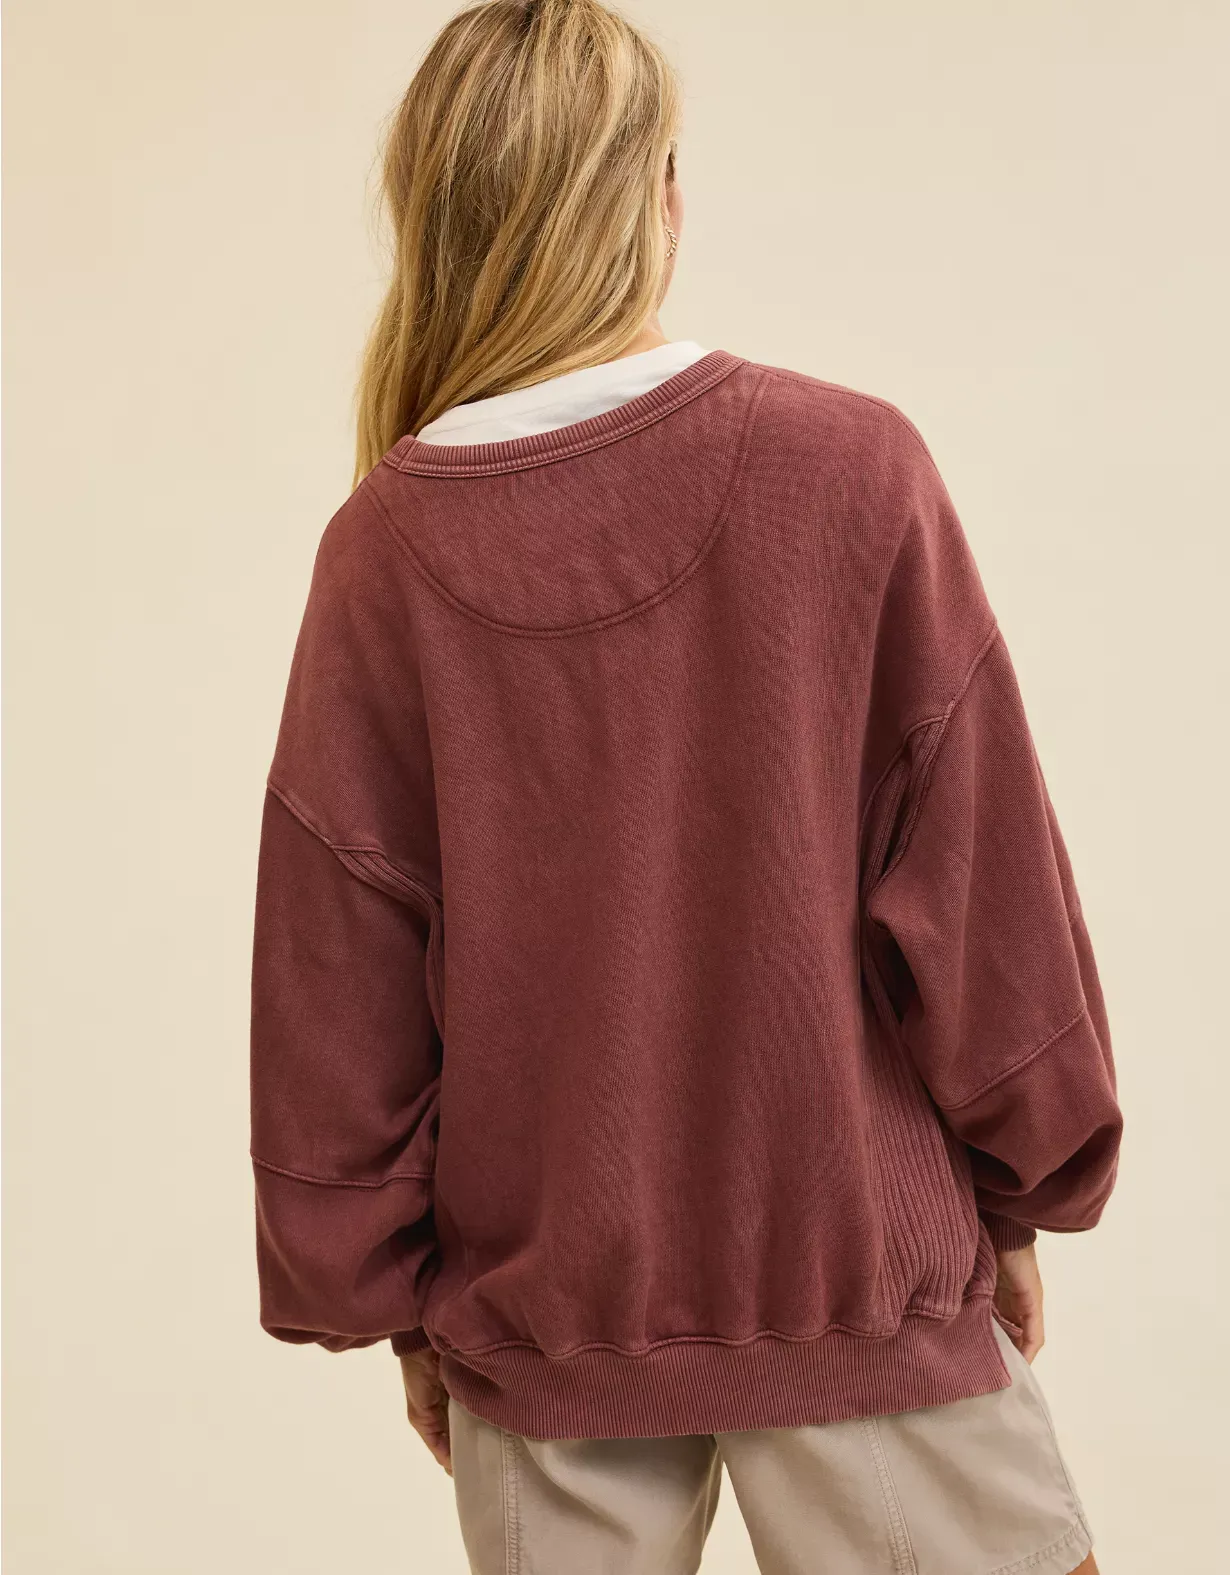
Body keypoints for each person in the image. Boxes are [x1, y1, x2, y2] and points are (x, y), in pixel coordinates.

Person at [248, 2, 1124, 1571]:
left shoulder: (381, 549)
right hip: (853, 1280)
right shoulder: (848, 468)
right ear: (656, 192)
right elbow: (975, 877)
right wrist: (1017, 1185)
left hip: (544, 1322)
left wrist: (390, 1300)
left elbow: (341, 978)